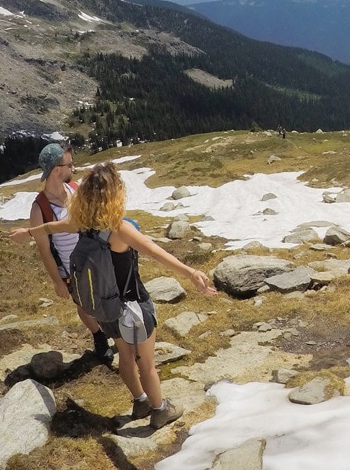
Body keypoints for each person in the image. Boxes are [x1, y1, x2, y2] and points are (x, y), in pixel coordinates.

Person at [12, 161, 217, 429]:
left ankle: (140, 400)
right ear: (115, 195)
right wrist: (191, 273)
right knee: (147, 364)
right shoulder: (119, 229)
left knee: (125, 356)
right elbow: (154, 251)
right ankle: (159, 410)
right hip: (135, 307)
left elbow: (50, 228)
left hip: (107, 309)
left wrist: (26, 232)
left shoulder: (81, 223)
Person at [29, 142, 113, 363]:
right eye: (69, 164)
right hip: (71, 268)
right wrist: (57, 281)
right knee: (83, 304)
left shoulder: (75, 190)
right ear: (57, 169)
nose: (73, 169)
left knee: (108, 295)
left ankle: (114, 331)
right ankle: (99, 336)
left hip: (96, 258)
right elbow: (45, 250)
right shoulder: (39, 209)